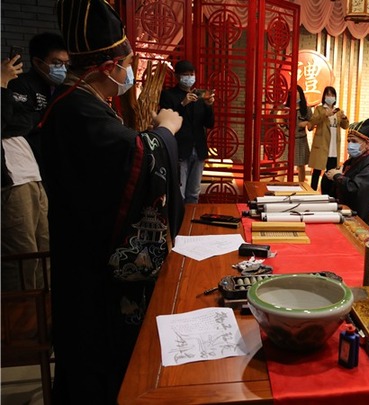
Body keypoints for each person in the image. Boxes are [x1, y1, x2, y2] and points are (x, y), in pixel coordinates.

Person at [42, 0, 184, 402]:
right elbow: (135, 156)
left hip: (87, 241)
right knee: (96, 353)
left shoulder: (80, 101)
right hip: (93, 257)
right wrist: (166, 132)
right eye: (128, 64)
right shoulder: (77, 109)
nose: (129, 72)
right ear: (108, 67)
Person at [1, 33, 68, 290]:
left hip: (33, 175)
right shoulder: (16, 84)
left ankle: (45, 306)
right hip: (13, 179)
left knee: (43, 247)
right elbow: (12, 122)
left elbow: (27, 121)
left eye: (66, 63)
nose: (62, 69)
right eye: (57, 63)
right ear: (38, 62)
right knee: (22, 256)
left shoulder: (56, 89)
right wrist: (2, 83)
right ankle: (23, 313)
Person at [159, 59, 215, 203]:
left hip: (199, 148)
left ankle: (191, 216)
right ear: (177, 76)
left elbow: (209, 124)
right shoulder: (168, 95)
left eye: (192, 74)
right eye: (185, 74)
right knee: (179, 192)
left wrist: (209, 106)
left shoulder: (199, 96)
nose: (189, 77)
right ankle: (179, 217)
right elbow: (166, 120)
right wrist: (183, 104)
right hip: (180, 149)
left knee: (194, 193)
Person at [325, 119, 369, 223]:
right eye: (348, 141)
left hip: (362, 216)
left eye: (354, 141)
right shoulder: (356, 158)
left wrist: (337, 176)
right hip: (348, 210)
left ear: (366, 143)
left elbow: (356, 189)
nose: (350, 145)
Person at [308, 86, 349, 193]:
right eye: (328, 95)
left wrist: (344, 118)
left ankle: (328, 193)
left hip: (333, 145)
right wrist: (325, 114)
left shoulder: (338, 111)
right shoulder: (319, 109)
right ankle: (312, 192)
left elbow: (345, 126)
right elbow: (313, 122)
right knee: (317, 171)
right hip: (322, 144)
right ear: (324, 96)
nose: (330, 97)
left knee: (331, 172)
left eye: (332, 95)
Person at [288, 85, 311, 182]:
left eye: (297, 93)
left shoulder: (306, 109)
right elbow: (280, 126)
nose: (295, 96)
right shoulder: (286, 109)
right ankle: (282, 186)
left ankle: (301, 185)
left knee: (301, 165)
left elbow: (311, 127)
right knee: (285, 164)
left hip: (301, 139)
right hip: (287, 140)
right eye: (292, 93)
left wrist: (307, 123)